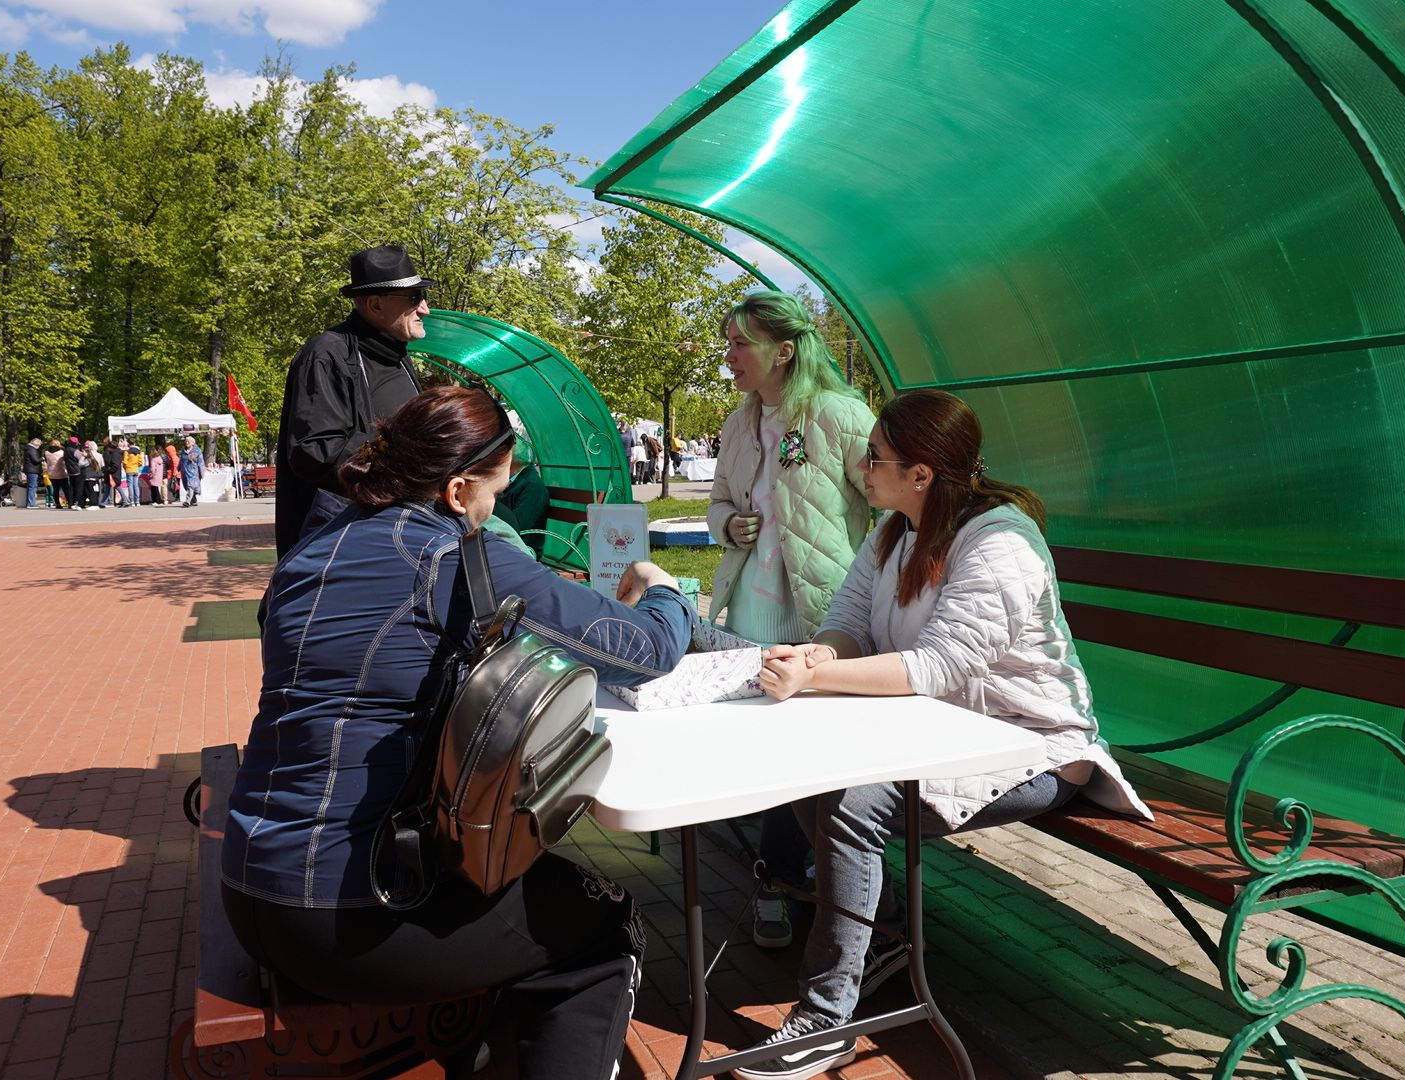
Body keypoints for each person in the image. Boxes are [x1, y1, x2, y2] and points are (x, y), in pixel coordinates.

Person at [223, 386, 694, 1079]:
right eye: (494, 494)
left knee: (507, 891)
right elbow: (644, 650)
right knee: (605, 922)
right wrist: (665, 590)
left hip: (250, 886)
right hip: (352, 911)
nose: (493, 510)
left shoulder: (310, 549)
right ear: (457, 490)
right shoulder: (456, 559)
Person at [731, 390, 1150, 1080]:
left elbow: (939, 666)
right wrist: (817, 655)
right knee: (811, 769)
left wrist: (815, 677)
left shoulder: (1000, 542)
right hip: (936, 731)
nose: (863, 466)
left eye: (875, 457)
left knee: (853, 802)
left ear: (921, 474)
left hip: (1030, 748)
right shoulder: (893, 529)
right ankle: (884, 935)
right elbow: (849, 620)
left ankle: (829, 1019)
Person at [706, 290, 875, 951]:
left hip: (821, 616)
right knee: (767, 756)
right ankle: (780, 882)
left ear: (783, 350)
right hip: (752, 610)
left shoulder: (839, 414)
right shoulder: (738, 422)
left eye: (738, 344)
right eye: (726, 344)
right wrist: (728, 524)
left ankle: (811, 884)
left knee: (815, 758)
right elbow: (718, 501)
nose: (728, 357)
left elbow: (892, 500)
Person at [275, 245, 435, 559]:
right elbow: (315, 451)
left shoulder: (399, 357)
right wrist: (407, 458)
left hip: (397, 535)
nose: (425, 309)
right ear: (375, 304)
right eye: (414, 298)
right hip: (345, 546)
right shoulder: (327, 354)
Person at [180, 435, 204, 506]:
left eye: (188, 441)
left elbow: (201, 462)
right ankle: (194, 500)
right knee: (187, 486)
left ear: (193, 443)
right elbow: (181, 461)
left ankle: (187, 501)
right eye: (186, 441)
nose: (186, 443)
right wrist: (177, 469)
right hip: (185, 472)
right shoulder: (183, 451)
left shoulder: (197, 451)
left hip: (193, 472)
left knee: (190, 486)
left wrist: (202, 472)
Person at [43, 442, 68, 508]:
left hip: (51, 473)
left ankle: (57, 504)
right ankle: (69, 502)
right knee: (66, 489)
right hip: (61, 472)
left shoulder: (46, 453)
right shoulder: (62, 452)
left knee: (55, 489)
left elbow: (46, 461)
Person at [22, 435, 43, 509]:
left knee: (30, 487)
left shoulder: (28, 448)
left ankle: (29, 503)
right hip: (32, 470)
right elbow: (36, 460)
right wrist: (42, 458)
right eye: (39, 445)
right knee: (32, 487)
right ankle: (31, 504)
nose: (39, 447)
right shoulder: (32, 449)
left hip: (29, 470)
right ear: (36, 444)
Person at [122, 440, 144, 507]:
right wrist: (136, 466)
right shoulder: (138, 452)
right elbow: (140, 463)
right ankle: (137, 501)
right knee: (136, 486)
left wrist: (125, 468)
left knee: (130, 486)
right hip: (136, 470)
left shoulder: (127, 452)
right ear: (134, 444)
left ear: (128, 444)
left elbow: (125, 462)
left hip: (129, 469)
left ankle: (132, 501)